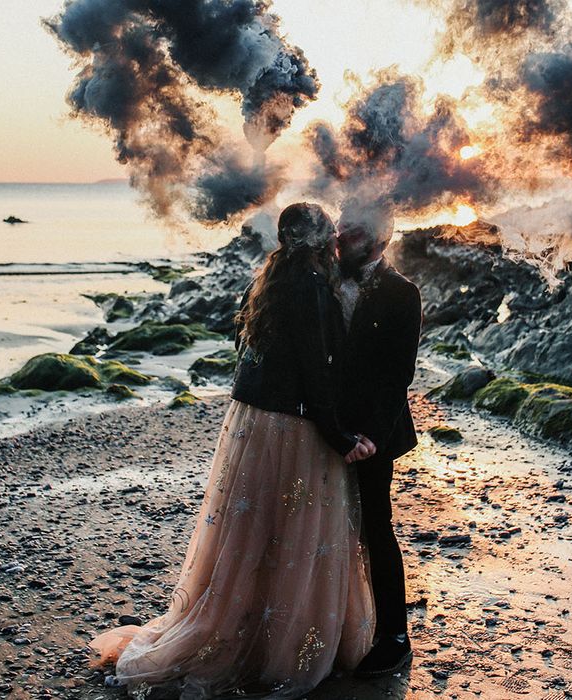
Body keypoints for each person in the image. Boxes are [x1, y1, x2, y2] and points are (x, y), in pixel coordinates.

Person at [86, 203, 376, 699]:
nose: (336, 242)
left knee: (253, 532)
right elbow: (315, 371)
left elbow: (250, 357)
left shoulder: (264, 283)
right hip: (292, 427)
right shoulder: (311, 289)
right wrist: (340, 437)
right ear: (319, 242)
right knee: (294, 533)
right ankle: (281, 650)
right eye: (330, 234)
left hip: (251, 425)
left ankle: (249, 629)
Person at [335, 198, 422, 678]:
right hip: (320, 428)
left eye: (352, 230)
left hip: (373, 433)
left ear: (381, 239)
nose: (340, 237)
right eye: (340, 226)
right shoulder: (322, 280)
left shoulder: (401, 293)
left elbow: (397, 376)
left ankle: (394, 636)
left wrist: (365, 436)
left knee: (375, 527)